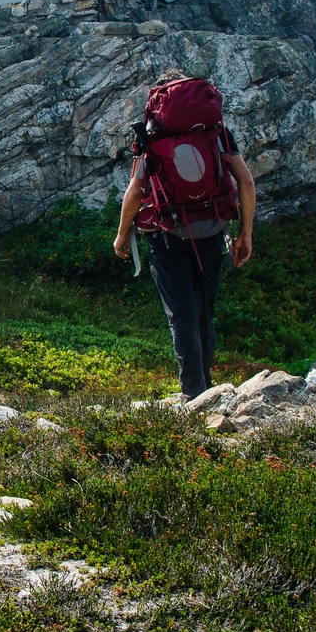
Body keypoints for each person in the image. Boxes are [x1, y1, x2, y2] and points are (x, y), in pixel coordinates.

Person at [112, 72, 257, 398]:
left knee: (181, 314)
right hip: (212, 231)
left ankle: (193, 393)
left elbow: (135, 191)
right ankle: (206, 386)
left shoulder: (153, 134)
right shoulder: (216, 132)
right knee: (204, 311)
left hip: (166, 237)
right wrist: (245, 233)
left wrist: (121, 235)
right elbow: (245, 182)